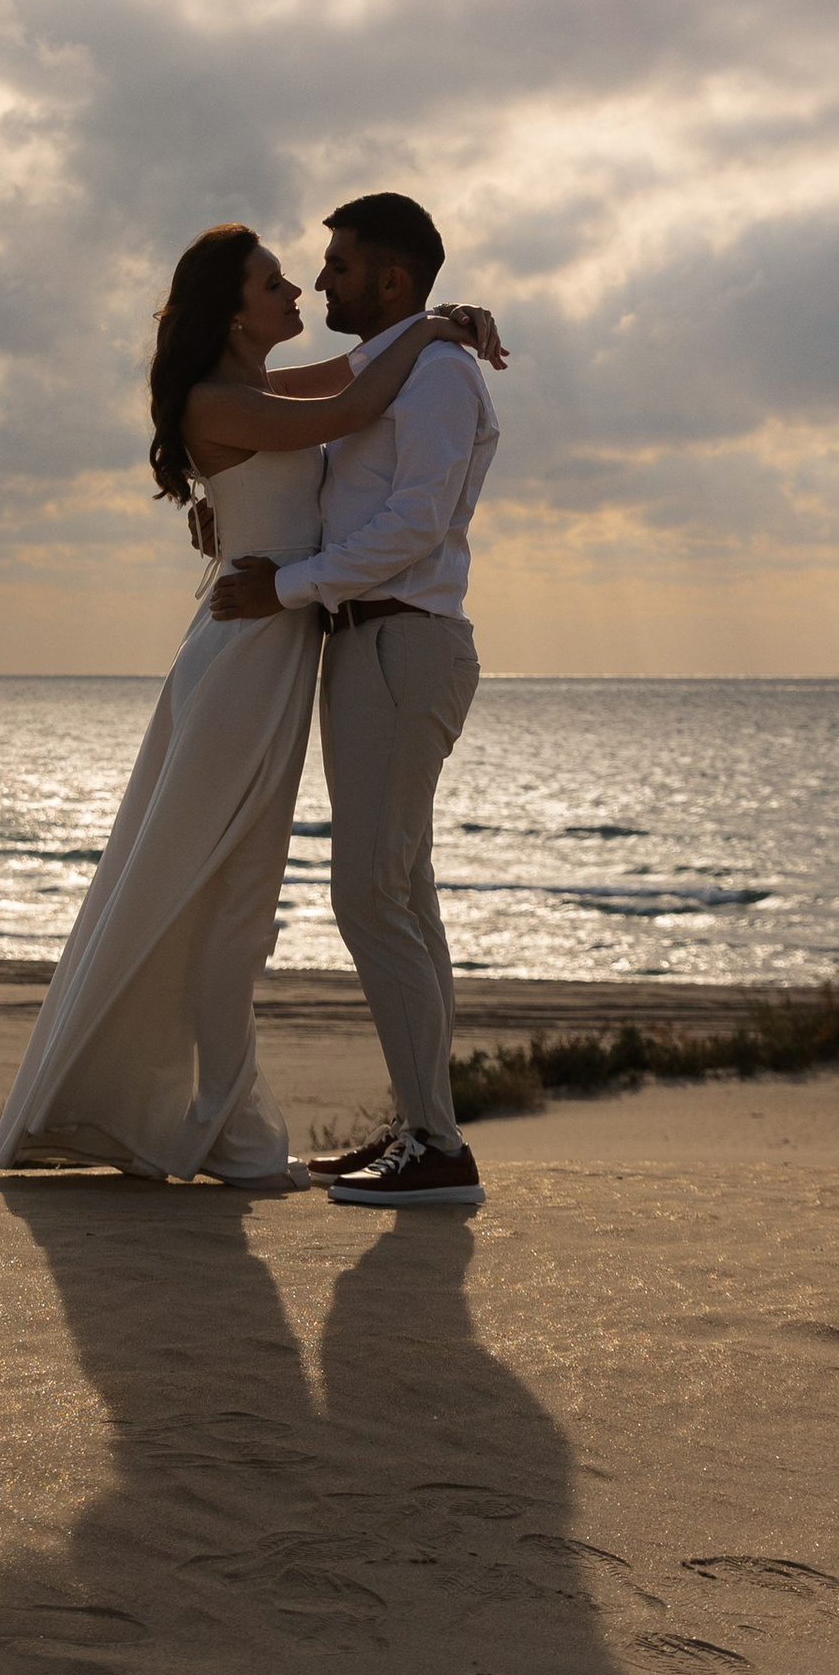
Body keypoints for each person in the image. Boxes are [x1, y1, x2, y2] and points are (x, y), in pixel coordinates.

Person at [0, 225, 492, 1185]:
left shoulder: (260, 390)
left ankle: (233, 1125)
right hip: (242, 659)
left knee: (237, 895)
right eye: (274, 282)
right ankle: (231, 1132)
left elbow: (344, 382)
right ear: (232, 310)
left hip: (274, 653)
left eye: (311, 271)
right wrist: (433, 328)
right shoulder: (223, 398)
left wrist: (427, 331)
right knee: (215, 889)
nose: (298, 286)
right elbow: (353, 400)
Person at [210, 190, 500, 1209]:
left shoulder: (434, 377)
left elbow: (416, 524)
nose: (321, 278)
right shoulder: (397, 367)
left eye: (335, 264)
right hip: (372, 645)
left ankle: (436, 1147)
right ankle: (426, 1127)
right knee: (402, 898)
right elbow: (331, 481)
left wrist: (284, 587)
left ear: (390, 277)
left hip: (398, 644)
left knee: (369, 897)